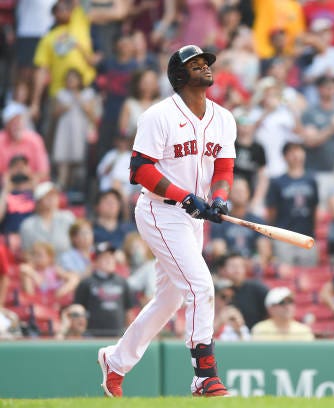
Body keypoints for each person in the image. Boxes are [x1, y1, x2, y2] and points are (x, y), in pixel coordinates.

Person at [96, 45, 236, 398]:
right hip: (160, 211)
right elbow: (140, 169)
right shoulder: (157, 115)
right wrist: (186, 196)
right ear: (179, 75)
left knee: (169, 300)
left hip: (192, 219)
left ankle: (116, 361)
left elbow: (223, 168)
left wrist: (219, 198)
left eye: (206, 62)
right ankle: (205, 375)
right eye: (195, 64)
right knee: (201, 285)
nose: (204, 66)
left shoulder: (224, 118)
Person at [266, 142, 319, 266]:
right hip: (284, 237)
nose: (295, 155)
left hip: (306, 235)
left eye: (298, 150)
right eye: (291, 152)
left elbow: (315, 208)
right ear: (284, 157)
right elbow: (271, 211)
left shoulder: (311, 180)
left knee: (308, 277)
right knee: (285, 275)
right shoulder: (277, 182)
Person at [74, 242, 135, 338]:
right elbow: (78, 310)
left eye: (111, 257)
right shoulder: (86, 283)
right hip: (92, 336)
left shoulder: (122, 282)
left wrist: (128, 333)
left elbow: (129, 311)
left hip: (118, 336)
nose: (110, 260)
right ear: (95, 261)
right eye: (105, 258)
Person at [19, 181, 75, 254]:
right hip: (38, 265)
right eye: (47, 196)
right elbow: (26, 252)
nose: (52, 199)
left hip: (66, 264)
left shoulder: (68, 218)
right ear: (38, 201)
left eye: (54, 195)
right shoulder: (28, 225)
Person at [217, 253, 269, 330]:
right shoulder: (216, 291)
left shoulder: (257, 288)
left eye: (240, 266)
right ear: (222, 270)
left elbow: (273, 308)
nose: (237, 269)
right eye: (233, 266)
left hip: (255, 336)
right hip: (223, 338)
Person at [19, 241, 79, 307]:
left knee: (74, 278)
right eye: (34, 254)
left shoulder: (54, 269)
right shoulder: (28, 271)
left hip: (56, 296)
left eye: (39, 255)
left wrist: (60, 291)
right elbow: (35, 290)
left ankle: (56, 300)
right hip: (39, 301)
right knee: (26, 276)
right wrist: (32, 273)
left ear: (49, 258)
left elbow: (73, 279)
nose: (36, 258)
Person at [0, 104, 50, 182]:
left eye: (19, 120)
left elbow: (44, 172)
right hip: (6, 185)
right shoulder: (1, 140)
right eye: (12, 121)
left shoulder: (35, 139)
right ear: (6, 125)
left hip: (32, 184)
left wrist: (28, 177)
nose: (16, 125)